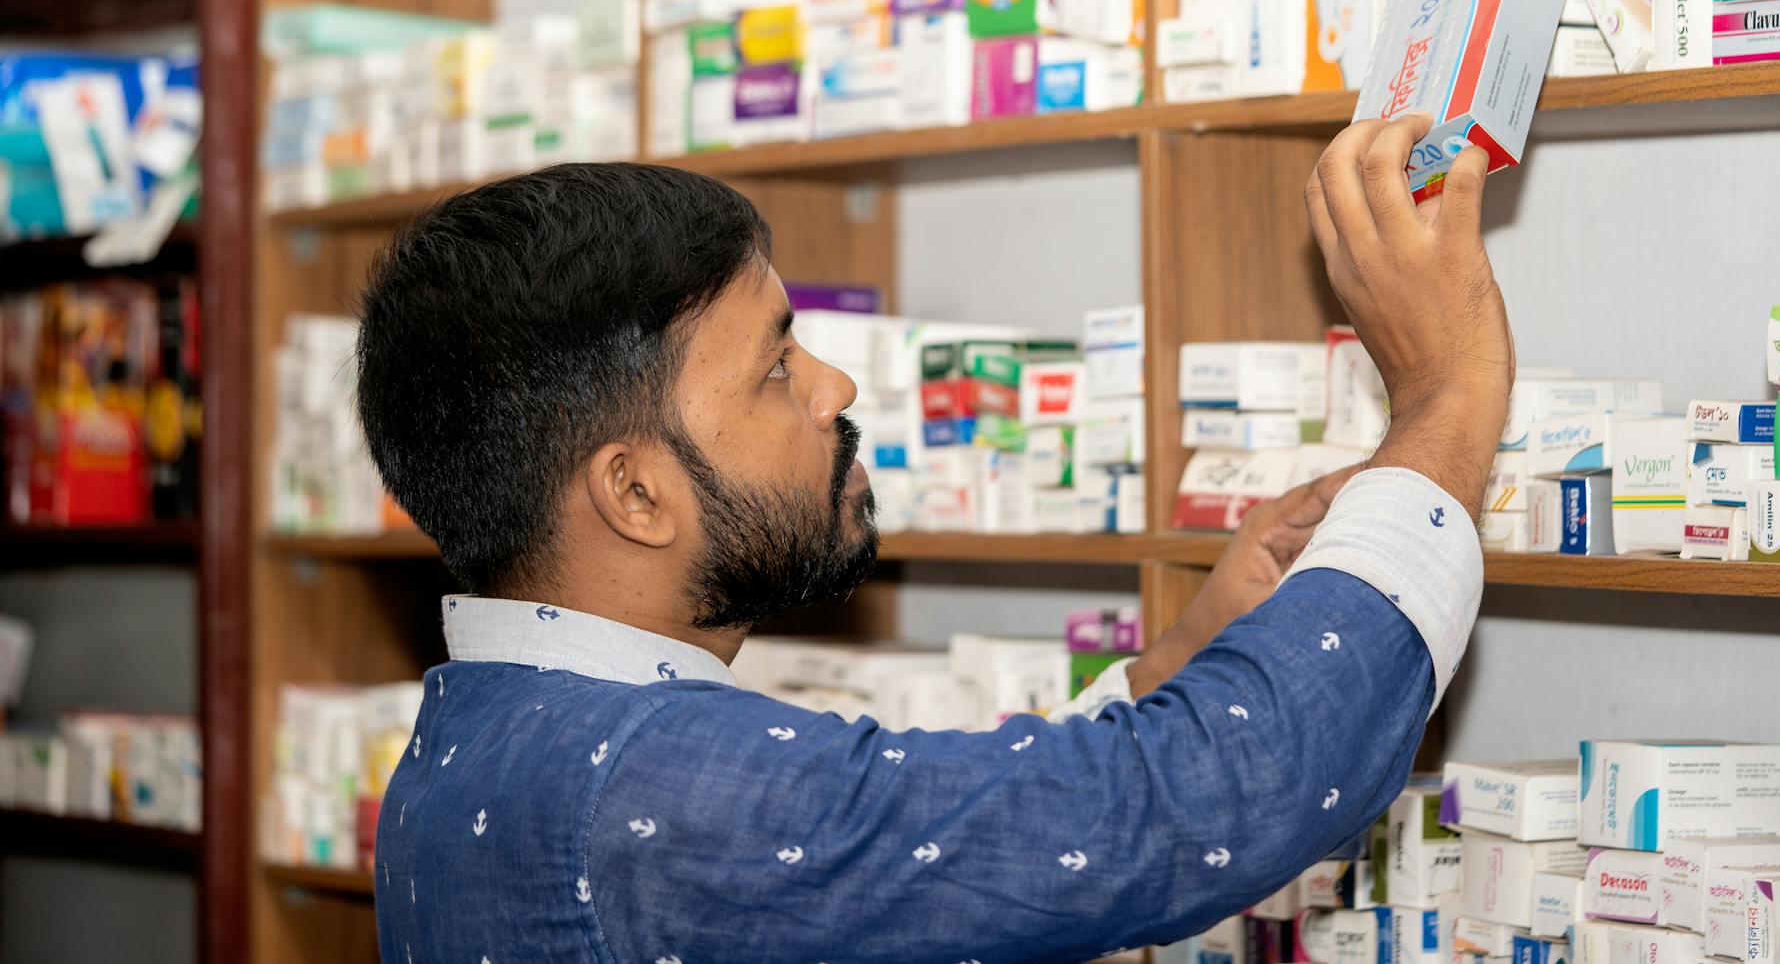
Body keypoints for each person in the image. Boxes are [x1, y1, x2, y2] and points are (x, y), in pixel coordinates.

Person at [362, 114, 1512, 964]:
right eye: (774, 367)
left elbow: (940, 848)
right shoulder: (654, 790)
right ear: (636, 495)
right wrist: (1445, 398)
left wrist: (1180, 662)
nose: (833, 384)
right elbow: (1189, 809)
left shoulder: (485, 730)